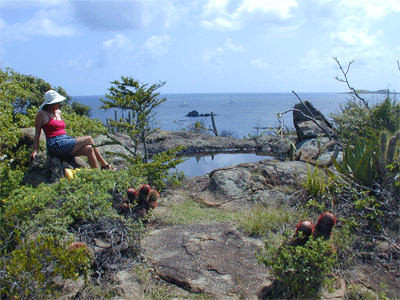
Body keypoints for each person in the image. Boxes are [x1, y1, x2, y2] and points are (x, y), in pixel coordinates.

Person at [30, 90, 113, 169]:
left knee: (89, 149)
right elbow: (37, 133)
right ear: (51, 103)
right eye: (57, 102)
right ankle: (104, 165)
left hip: (65, 139)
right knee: (88, 139)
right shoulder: (42, 114)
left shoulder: (58, 112)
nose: (59, 104)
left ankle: (97, 175)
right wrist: (35, 150)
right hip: (55, 143)